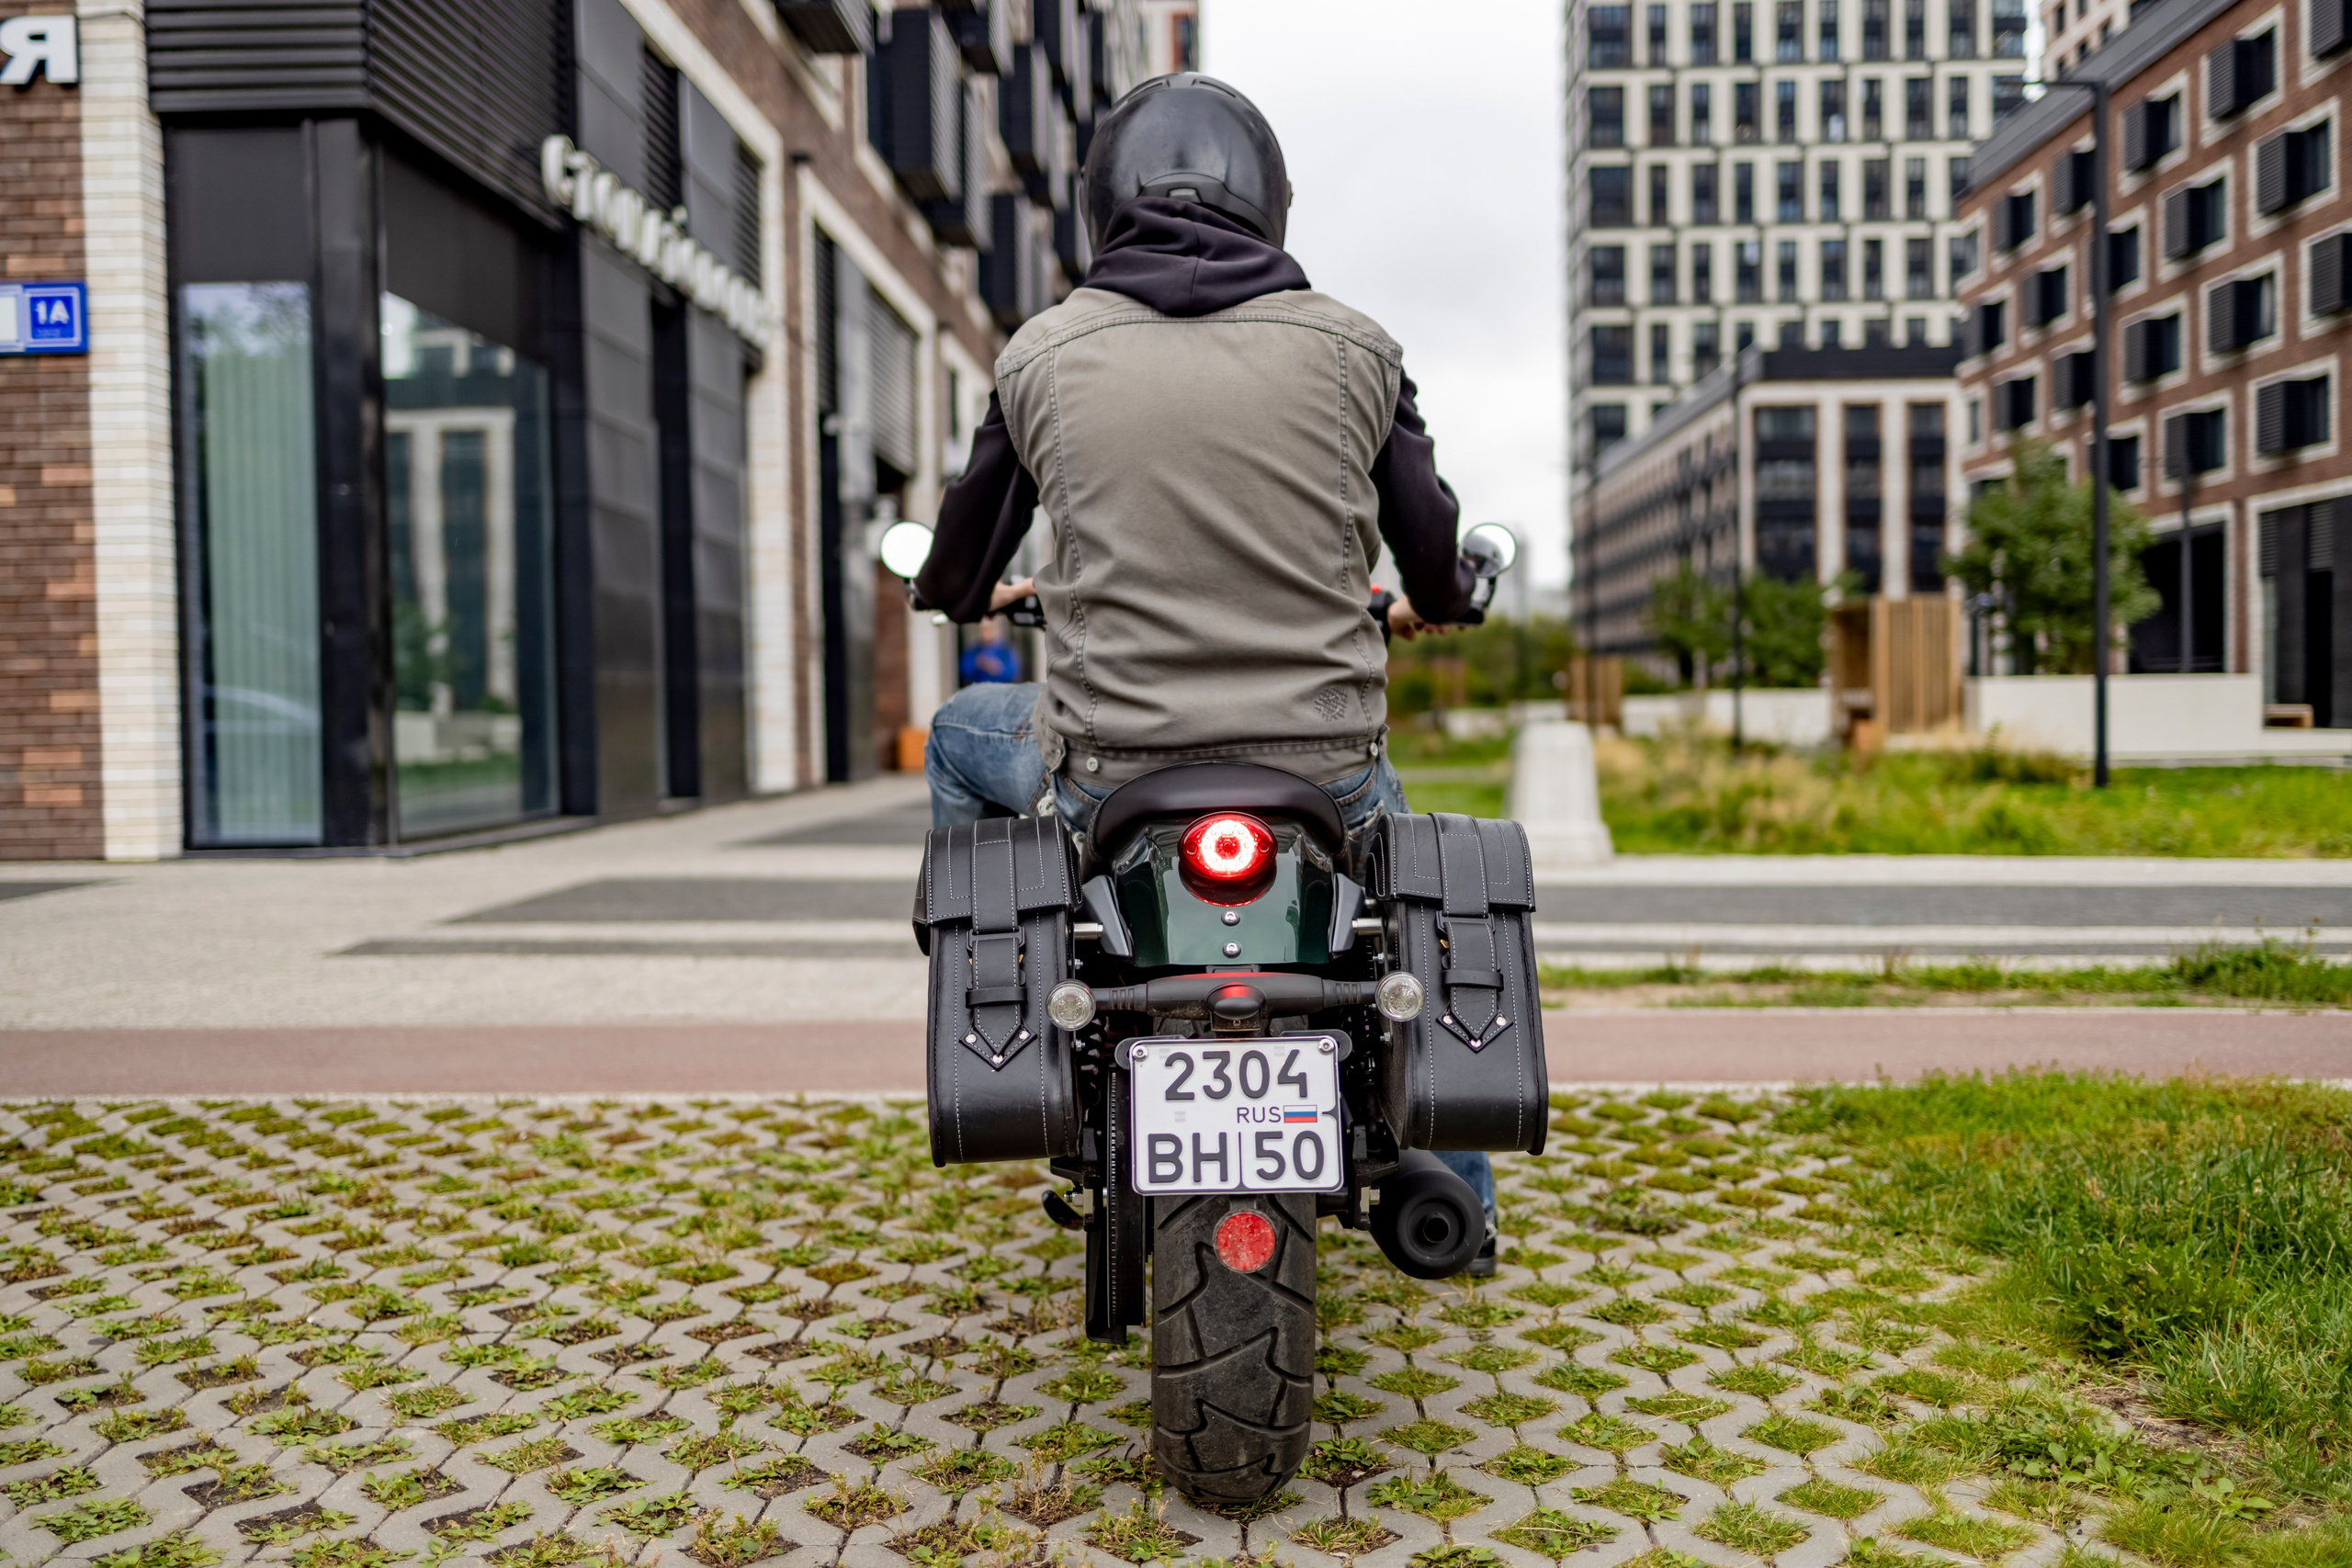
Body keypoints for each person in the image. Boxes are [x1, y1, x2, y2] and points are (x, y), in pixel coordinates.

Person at [912, 73, 1496, 1272]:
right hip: (1321, 767)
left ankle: (1009, 986)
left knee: (960, 732)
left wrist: (970, 591)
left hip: (1106, 764)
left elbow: (960, 565)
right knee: (1417, 936)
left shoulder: (1044, 357)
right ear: (1268, 200)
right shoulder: (1355, 348)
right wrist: (1442, 602)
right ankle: (1459, 1199)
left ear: (1102, 203)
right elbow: (1435, 564)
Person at [958, 619, 1023, 686]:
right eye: (984, 630)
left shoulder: (1005, 649)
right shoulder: (973, 650)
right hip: (979, 689)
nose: (986, 633)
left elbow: (1014, 672)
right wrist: (977, 663)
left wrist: (998, 667)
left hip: (1001, 689)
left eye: (989, 629)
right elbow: (962, 670)